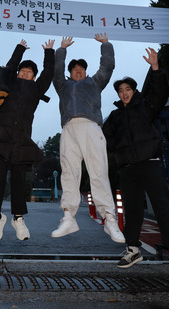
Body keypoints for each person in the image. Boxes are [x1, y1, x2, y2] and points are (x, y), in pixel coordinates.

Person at [102, 47, 169, 280]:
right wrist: (116, 153)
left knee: (163, 206)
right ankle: (133, 250)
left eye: (128, 89)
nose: (124, 93)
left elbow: (160, 94)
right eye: (120, 91)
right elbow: (104, 138)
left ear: (134, 91)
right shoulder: (115, 116)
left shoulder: (145, 107)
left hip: (149, 163)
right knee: (131, 210)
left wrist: (156, 69)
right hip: (128, 168)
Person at [51, 34, 124, 243]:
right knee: (69, 173)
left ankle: (110, 219)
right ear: (70, 72)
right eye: (75, 69)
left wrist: (105, 44)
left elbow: (108, 67)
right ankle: (68, 216)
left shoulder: (94, 82)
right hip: (68, 129)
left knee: (98, 171)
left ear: (86, 71)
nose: (78, 70)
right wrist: (62, 49)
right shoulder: (62, 85)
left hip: (91, 126)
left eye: (81, 68)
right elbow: (56, 70)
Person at [0, 39, 55, 243]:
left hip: (22, 141)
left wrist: (49, 53)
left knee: (18, 181)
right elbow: (10, 67)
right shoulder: (10, 83)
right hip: (0, 137)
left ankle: (18, 217)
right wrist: (20, 49)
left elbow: (48, 74)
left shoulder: (36, 89)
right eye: (22, 70)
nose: (24, 73)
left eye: (29, 72)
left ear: (34, 76)